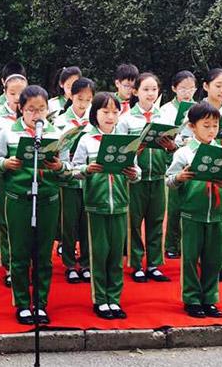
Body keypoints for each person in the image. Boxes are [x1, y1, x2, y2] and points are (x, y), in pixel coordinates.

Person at [0, 85, 71, 325]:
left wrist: (58, 168)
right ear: (21, 109)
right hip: (18, 199)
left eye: (41, 109)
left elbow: (67, 169)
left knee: (44, 256)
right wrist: (6, 163)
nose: (37, 115)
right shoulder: (8, 133)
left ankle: (41, 303)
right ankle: (23, 303)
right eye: (31, 109)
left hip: (48, 199)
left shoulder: (57, 133)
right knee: (21, 254)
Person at [166, 102, 222, 318]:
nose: (211, 130)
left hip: (218, 214)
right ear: (192, 126)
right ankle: (191, 299)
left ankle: (210, 298)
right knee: (190, 257)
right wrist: (180, 177)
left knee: (214, 258)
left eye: (215, 126)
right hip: (192, 213)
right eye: (206, 125)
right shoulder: (183, 153)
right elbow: (169, 181)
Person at [71, 92, 140, 319]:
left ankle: (115, 299)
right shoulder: (86, 139)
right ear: (95, 114)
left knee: (116, 255)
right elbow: (74, 170)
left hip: (120, 204)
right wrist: (86, 170)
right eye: (105, 111)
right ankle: (100, 299)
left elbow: (136, 172)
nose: (110, 116)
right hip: (95, 205)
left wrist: (133, 173)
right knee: (99, 254)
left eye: (115, 111)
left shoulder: (126, 140)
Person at [118, 73, 177, 283]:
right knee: (133, 222)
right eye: (145, 89)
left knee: (156, 220)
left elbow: (174, 150)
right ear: (135, 92)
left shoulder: (166, 118)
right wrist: (136, 150)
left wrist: (171, 148)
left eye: (154, 89)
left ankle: (154, 264)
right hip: (136, 180)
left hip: (158, 177)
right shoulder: (126, 119)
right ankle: (136, 263)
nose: (150, 93)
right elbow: (121, 152)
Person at [0, 72, 28, 287]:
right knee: (4, 219)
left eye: (21, 93)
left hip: (28, 176)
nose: (17, 98)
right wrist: (3, 160)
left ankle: (26, 263)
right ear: (5, 93)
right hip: (4, 174)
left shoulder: (35, 115)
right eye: (13, 93)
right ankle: (9, 265)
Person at [54, 77, 93, 284]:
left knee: (86, 223)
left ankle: (86, 263)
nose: (83, 104)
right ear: (71, 96)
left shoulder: (93, 122)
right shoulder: (61, 121)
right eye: (79, 99)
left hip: (88, 180)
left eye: (88, 100)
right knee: (68, 224)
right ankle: (69, 263)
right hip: (67, 179)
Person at [159, 70, 197, 259]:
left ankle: (187, 243)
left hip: (193, 159)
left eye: (191, 88)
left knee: (192, 203)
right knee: (175, 206)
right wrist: (173, 144)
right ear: (174, 88)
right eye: (183, 88)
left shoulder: (198, 109)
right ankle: (171, 244)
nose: (187, 93)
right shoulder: (166, 109)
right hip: (172, 159)